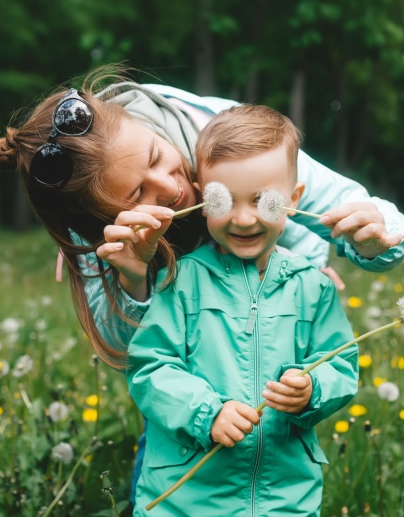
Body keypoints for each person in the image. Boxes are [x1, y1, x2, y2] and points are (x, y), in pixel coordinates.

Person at [0, 65, 404, 370]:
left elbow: (367, 211)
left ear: (148, 128)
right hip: (185, 315)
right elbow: (128, 351)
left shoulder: (224, 135)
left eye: (156, 156)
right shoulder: (92, 223)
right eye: (138, 194)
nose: (169, 189)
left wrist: (372, 242)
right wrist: (133, 279)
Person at [127, 104, 359, 516]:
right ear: (201, 195)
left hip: (284, 498)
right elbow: (151, 367)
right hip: (186, 500)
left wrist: (312, 391)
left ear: (294, 199)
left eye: (264, 201)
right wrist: (207, 413)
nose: (244, 217)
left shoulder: (313, 287)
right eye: (224, 200)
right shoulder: (181, 280)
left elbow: (340, 364)